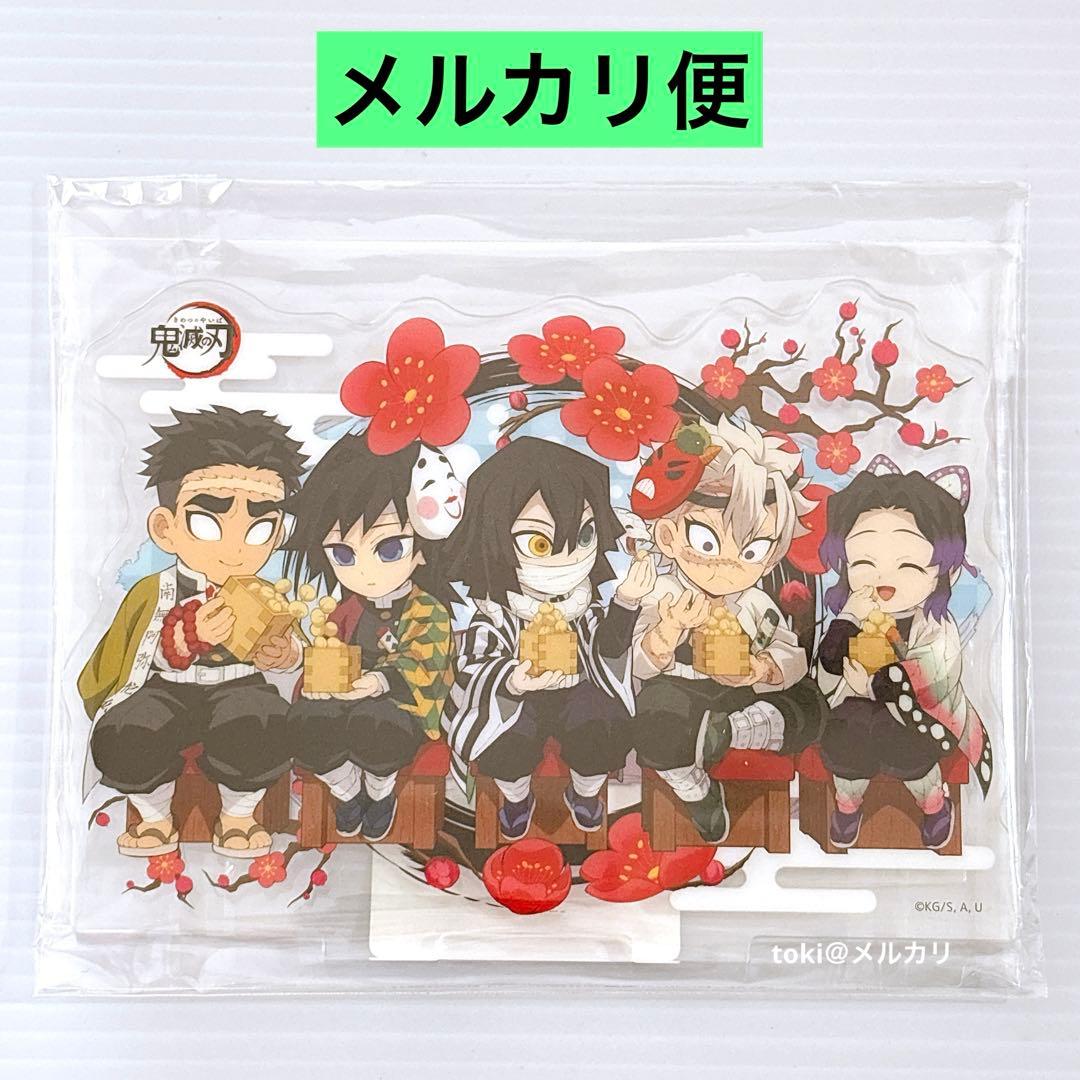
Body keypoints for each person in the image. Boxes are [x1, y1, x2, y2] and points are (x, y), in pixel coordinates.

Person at [80, 407, 307, 859]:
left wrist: (286, 654)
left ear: (278, 532)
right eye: (207, 524)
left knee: (263, 721)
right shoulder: (154, 590)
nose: (235, 547)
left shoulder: (270, 592)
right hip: (166, 687)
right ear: (166, 529)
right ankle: (154, 817)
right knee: (127, 729)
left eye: (260, 528)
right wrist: (188, 635)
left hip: (239, 686)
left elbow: (296, 644)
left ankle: (239, 816)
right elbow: (129, 654)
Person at [630, 418, 827, 843]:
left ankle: (729, 731)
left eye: (753, 550)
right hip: (680, 689)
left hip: (739, 695)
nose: (730, 564)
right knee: (654, 718)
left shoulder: (755, 603)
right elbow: (638, 665)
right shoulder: (662, 594)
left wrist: (761, 669)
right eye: (707, 542)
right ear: (668, 536)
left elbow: (790, 654)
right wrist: (668, 631)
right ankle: (694, 789)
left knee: (810, 704)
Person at [445, 437, 653, 840]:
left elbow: (608, 651)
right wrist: (512, 679)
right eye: (539, 543)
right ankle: (516, 797)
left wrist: (626, 602)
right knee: (506, 735)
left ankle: (585, 792)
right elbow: (475, 664)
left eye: (583, 536)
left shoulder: (583, 603)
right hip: (515, 697)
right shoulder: (496, 611)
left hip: (576, 690)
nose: (566, 557)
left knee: (602, 719)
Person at [284, 434, 460, 841]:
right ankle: (347, 792)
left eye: (388, 549)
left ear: (421, 549)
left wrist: (378, 681)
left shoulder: (427, 609)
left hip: (399, 704)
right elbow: (324, 648)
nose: (363, 571)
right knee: (307, 721)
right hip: (344, 698)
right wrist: (316, 674)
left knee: (377, 723)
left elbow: (427, 661)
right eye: (343, 555)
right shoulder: (344, 608)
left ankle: (380, 793)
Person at [815, 457, 993, 849]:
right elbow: (826, 666)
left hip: (916, 716)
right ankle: (848, 803)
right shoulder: (854, 613)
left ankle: (933, 804)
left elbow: (937, 676)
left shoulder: (934, 627)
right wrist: (847, 621)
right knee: (844, 737)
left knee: (907, 744)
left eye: (909, 565)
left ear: (944, 571)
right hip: (854, 710)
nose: (884, 578)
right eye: (864, 562)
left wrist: (877, 684)